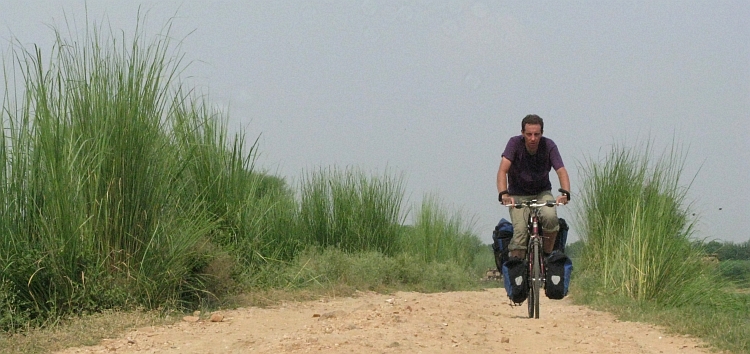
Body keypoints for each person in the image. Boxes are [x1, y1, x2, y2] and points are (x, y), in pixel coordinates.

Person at [496, 114, 570, 260]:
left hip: (542, 192)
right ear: (522, 133)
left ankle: (547, 256)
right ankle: (518, 271)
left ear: (542, 133)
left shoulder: (549, 146)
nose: (533, 138)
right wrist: (504, 195)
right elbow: (502, 170)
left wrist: (566, 193)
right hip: (517, 194)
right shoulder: (514, 144)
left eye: (536, 134)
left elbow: (561, 171)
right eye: (529, 134)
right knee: (520, 231)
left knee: (550, 217)